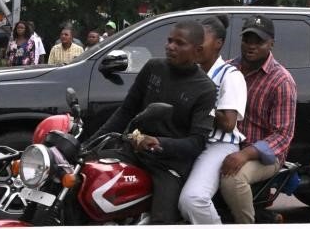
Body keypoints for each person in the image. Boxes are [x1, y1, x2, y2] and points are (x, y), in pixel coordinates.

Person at [89, 22, 216, 224]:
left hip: (167, 166)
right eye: (169, 40)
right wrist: (90, 145)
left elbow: (197, 142)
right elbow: (126, 111)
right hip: (132, 150)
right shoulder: (153, 68)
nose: (170, 46)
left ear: (197, 50)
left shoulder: (206, 89)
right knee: (87, 179)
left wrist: (159, 143)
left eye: (179, 43)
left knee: (161, 222)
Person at [219, 15, 297, 224]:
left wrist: (245, 154)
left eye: (259, 42)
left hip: (264, 155)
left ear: (271, 44)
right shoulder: (227, 69)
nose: (251, 46)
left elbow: (282, 136)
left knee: (232, 179)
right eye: (247, 40)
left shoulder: (281, 81)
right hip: (225, 146)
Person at [179, 16, 248, 224]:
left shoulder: (230, 75)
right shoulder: (189, 72)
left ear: (218, 43)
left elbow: (228, 123)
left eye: (203, 39)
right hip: (190, 140)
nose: (197, 44)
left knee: (193, 199)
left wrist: (200, 107)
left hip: (218, 144)